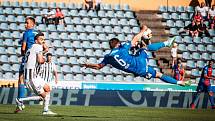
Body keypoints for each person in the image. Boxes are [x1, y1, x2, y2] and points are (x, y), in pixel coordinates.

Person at [82, 30, 191, 86]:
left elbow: (98, 67)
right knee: (145, 48)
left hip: (140, 71)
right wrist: (143, 30)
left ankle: (179, 83)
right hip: (140, 62)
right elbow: (134, 39)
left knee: (159, 75)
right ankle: (167, 43)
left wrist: (88, 65)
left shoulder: (108, 57)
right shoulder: (122, 48)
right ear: (117, 44)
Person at [15, 33, 56, 115]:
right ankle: (21, 100)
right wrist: (45, 59)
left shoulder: (31, 48)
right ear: (36, 40)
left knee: (47, 88)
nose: (43, 41)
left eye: (44, 39)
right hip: (31, 78)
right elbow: (40, 60)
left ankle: (46, 110)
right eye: (41, 39)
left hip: (35, 76)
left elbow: (35, 57)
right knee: (44, 96)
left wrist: (44, 51)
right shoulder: (38, 46)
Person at [17, 17, 38, 110]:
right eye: (25, 23)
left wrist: (23, 55)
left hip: (27, 58)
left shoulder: (26, 33)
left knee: (21, 78)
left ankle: (20, 102)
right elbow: (45, 47)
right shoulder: (37, 34)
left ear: (32, 24)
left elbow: (23, 47)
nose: (25, 24)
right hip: (36, 59)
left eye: (27, 23)